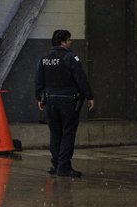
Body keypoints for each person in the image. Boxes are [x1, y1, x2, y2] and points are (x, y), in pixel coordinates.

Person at [35, 29, 95, 178]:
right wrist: (89, 96)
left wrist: (39, 98)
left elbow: (38, 80)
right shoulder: (70, 57)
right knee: (68, 133)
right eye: (69, 40)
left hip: (50, 101)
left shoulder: (44, 58)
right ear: (63, 42)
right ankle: (64, 167)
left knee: (55, 133)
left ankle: (56, 164)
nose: (71, 42)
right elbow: (81, 78)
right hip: (68, 102)